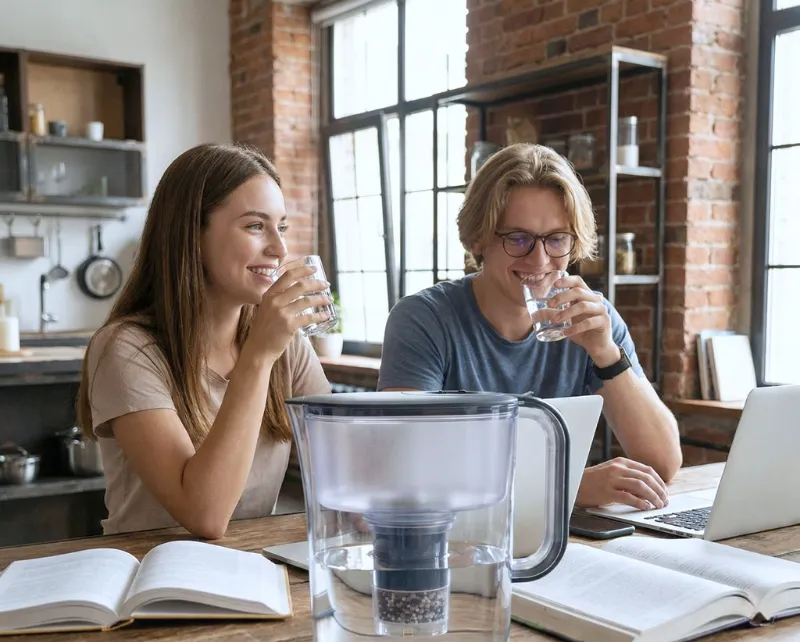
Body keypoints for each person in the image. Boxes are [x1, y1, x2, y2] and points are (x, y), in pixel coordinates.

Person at [378, 142, 682, 513]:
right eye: (517, 239)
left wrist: (605, 354)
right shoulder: (424, 319)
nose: (540, 260)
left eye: (556, 239)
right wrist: (567, 486)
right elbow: (402, 473)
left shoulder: (591, 317)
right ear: (479, 238)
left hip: (560, 542)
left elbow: (663, 463)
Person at [76, 143, 332, 537]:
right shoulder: (126, 348)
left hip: (250, 569)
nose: (279, 249)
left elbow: (343, 463)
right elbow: (204, 515)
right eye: (254, 226)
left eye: (281, 227)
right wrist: (259, 355)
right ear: (192, 235)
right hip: (148, 575)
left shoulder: (288, 346)